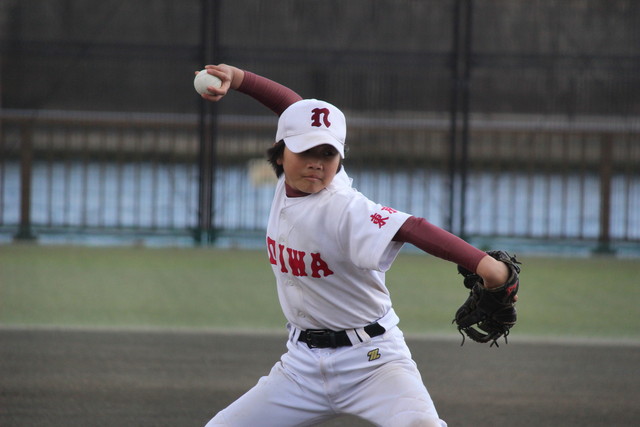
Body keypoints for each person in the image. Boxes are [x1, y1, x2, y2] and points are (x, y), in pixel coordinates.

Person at [198, 64, 511, 427]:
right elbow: (293, 107)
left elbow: (412, 227)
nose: (317, 163)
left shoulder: (343, 206)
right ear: (280, 153)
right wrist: (238, 79)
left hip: (374, 363)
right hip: (300, 368)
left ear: (340, 158)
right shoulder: (289, 182)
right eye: (306, 151)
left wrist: (486, 266)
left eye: (328, 154)